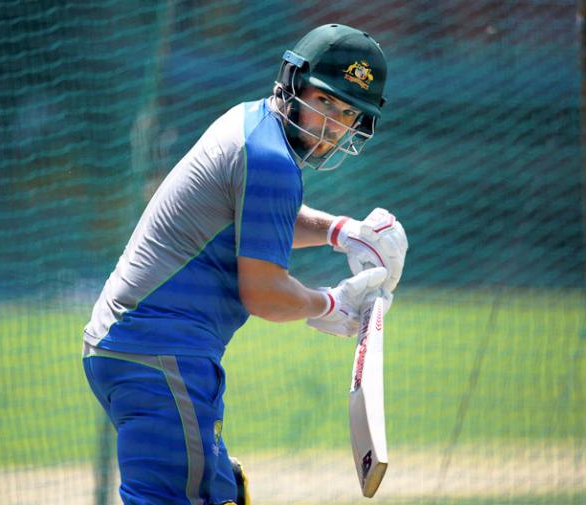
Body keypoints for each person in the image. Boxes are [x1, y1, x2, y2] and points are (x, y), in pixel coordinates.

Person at [82, 23, 407, 505]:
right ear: (293, 84)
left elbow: (257, 218)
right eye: (323, 102)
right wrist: (332, 304)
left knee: (219, 491)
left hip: (131, 351)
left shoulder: (250, 122)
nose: (331, 125)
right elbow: (263, 293)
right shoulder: (272, 159)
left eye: (346, 113)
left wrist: (342, 231)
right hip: (162, 357)